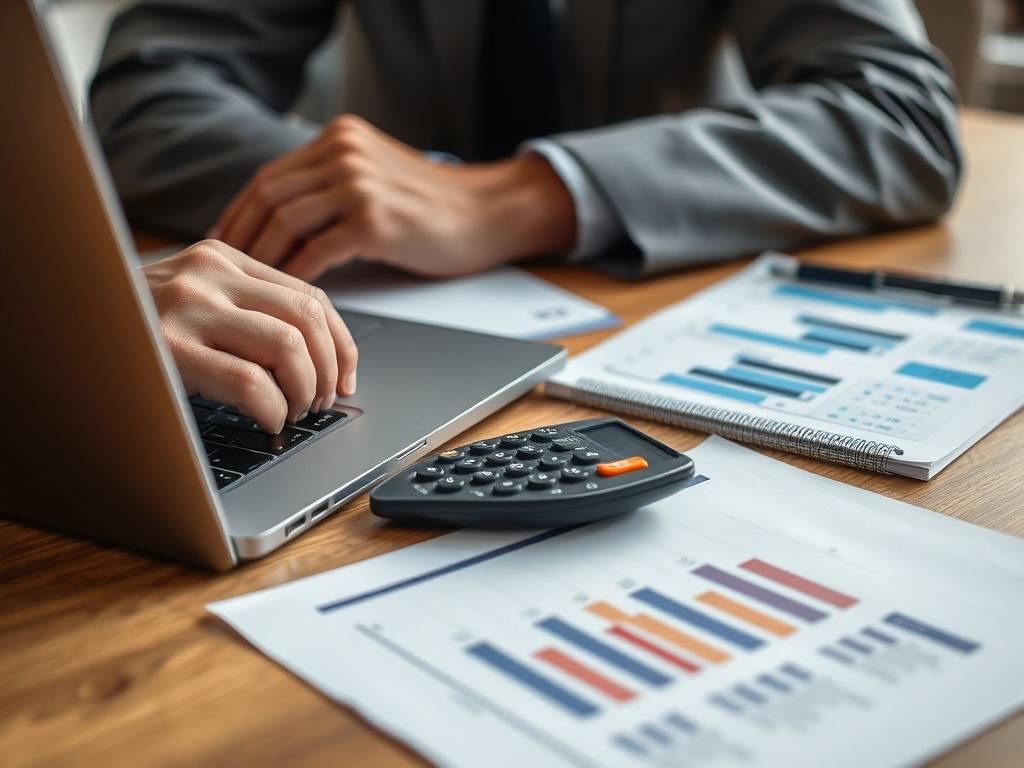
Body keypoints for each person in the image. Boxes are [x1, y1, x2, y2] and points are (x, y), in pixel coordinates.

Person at [91, 0, 963, 284]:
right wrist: (366, 201)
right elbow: (151, 91)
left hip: (668, 283)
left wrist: (521, 198)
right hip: (385, 304)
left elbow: (900, 113)